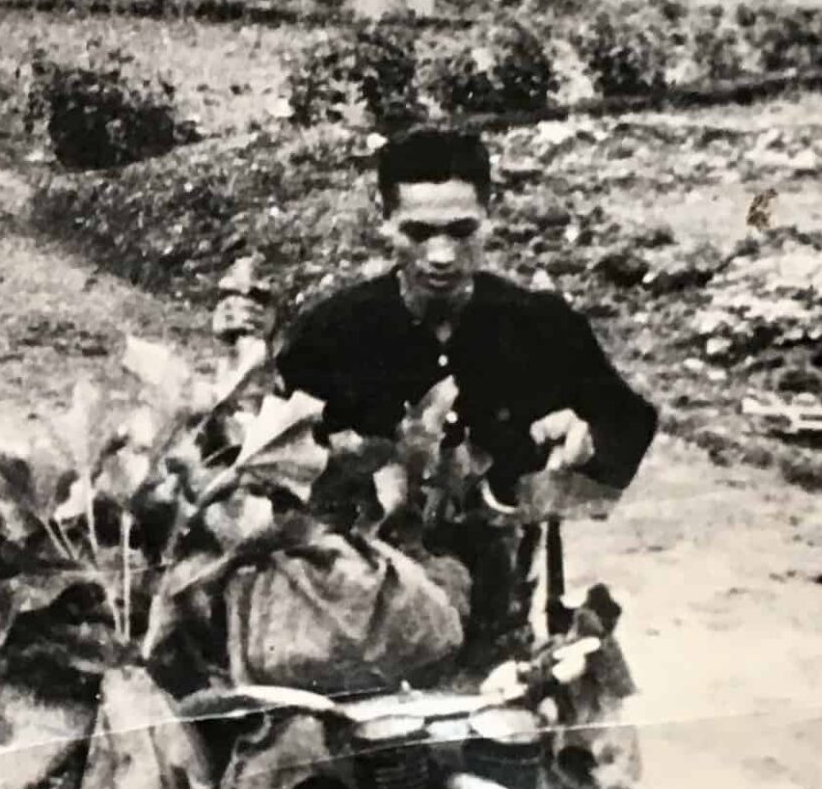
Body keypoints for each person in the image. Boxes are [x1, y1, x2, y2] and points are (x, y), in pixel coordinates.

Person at [267, 126, 658, 671]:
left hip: (502, 630)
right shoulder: (331, 335)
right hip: (364, 625)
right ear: (385, 224)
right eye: (419, 232)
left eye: (461, 230)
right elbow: (268, 465)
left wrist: (583, 440)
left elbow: (629, 423)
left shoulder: (542, 328)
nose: (442, 255)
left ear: (490, 218)